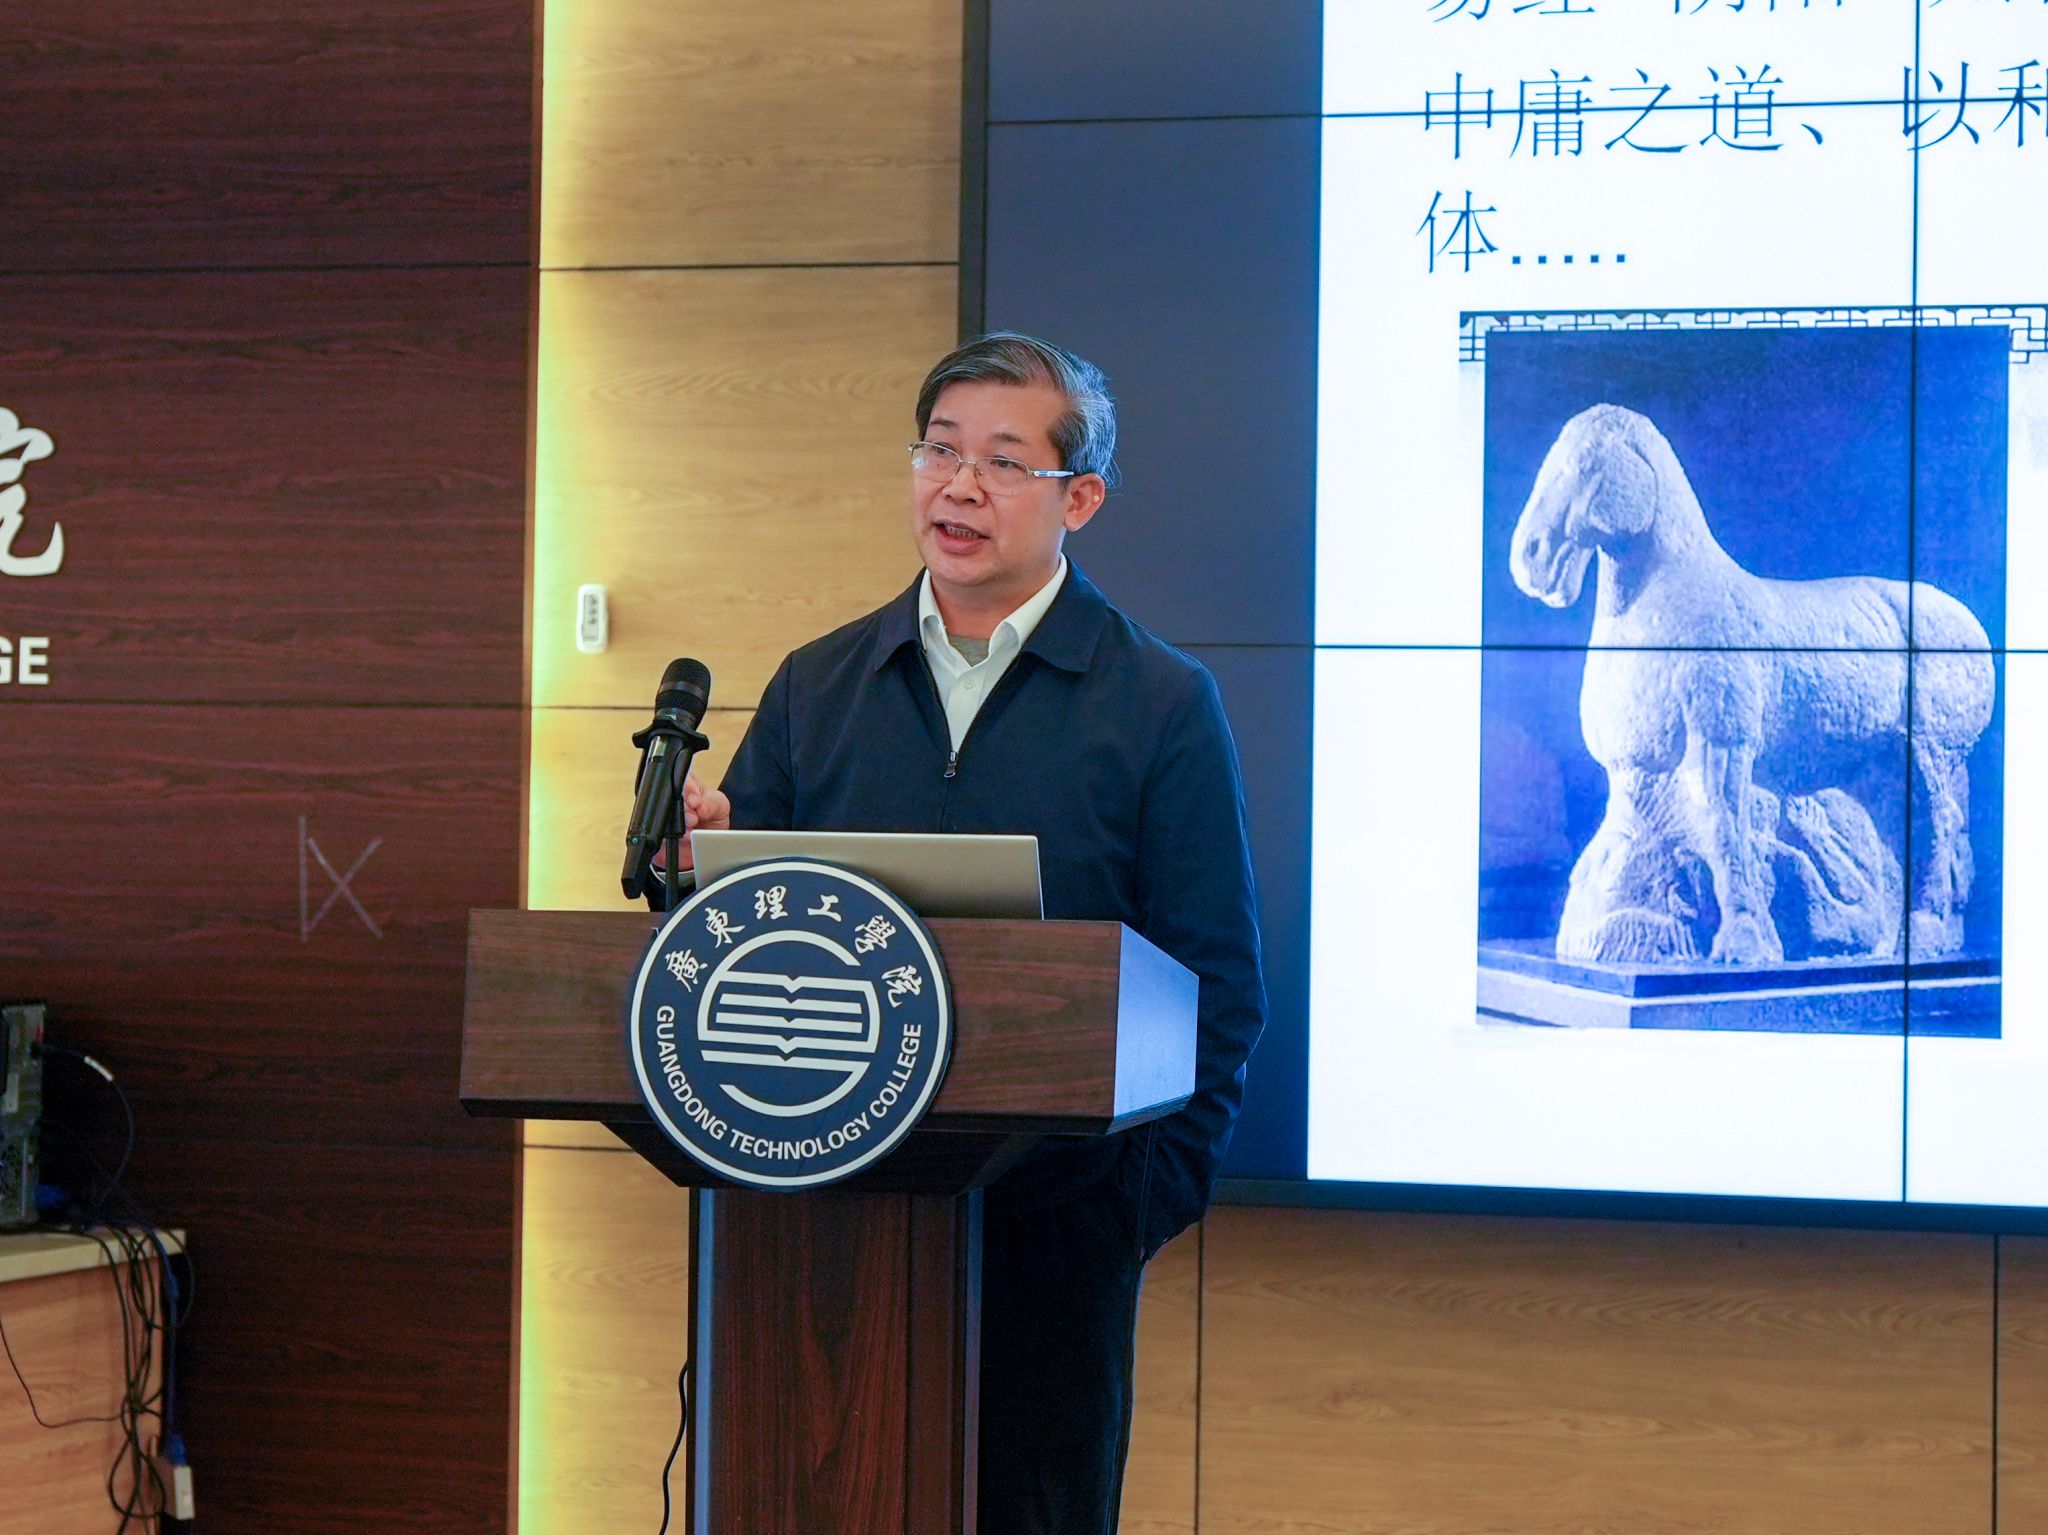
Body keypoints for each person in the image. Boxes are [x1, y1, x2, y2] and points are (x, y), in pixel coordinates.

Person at [671, 332, 1266, 1535]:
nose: (958, 486)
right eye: (937, 451)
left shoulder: (1155, 701)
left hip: (1056, 1240)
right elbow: (734, 952)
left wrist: (1125, 1213)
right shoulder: (817, 684)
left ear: (1078, 498)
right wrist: (701, 864)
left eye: (1001, 460)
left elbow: (1216, 986)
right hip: (813, 1228)